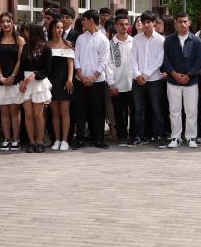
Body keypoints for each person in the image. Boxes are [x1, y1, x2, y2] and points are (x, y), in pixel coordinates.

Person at [163, 12, 201, 148]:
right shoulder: (169, 40)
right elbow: (166, 59)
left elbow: (198, 61)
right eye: (180, 21)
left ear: (189, 23)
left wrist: (189, 75)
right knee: (174, 110)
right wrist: (174, 74)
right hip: (173, 80)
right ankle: (176, 137)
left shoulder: (196, 40)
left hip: (191, 81)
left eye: (185, 21)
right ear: (175, 23)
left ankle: (191, 137)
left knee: (191, 110)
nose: (183, 24)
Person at [74, 9, 112, 149]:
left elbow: (104, 61)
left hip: (98, 81)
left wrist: (94, 77)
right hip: (81, 81)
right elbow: (76, 58)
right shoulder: (80, 38)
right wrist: (81, 76)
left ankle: (98, 139)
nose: (82, 22)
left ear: (91, 20)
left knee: (98, 111)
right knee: (80, 111)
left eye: (84, 19)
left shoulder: (103, 39)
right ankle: (80, 139)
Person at [129, 10, 166, 146]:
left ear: (154, 23)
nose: (146, 25)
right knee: (138, 110)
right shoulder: (136, 39)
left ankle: (159, 136)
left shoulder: (160, 39)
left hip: (154, 79)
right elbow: (132, 58)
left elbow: (159, 61)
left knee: (156, 109)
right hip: (137, 79)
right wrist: (137, 74)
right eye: (143, 22)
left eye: (148, 22)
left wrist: (145, 75)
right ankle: (139, 136)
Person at [0, 13, 24, 151]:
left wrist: (12, 76)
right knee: (4, 110)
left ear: (12, 22)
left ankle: (16, 139)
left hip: (15, 79)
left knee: (14, 110)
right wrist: (1, 77)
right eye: (2, 22)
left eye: (8, 21)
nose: (5, 24)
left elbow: (20, 60)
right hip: (0, 79)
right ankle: (6, 138)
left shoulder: (20, 39)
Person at [19, 23, 53, 153]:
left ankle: (39, 142)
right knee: (28, 114)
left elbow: (47, 70)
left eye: (27, 30)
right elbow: (21, 67)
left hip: (39, 83)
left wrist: (35, 75)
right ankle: (31, 142)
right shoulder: (25, 47)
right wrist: (21, 82)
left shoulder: (46, 48)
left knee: (38, 115)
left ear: (32, 31)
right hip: (26, 83)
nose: (24, 33)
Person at [47, 18, 75, 151]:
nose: (60, 30)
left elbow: (70, 63)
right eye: (57, 27)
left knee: (65, 112)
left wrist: (70, 79)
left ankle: (65, 140)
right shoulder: (47, 45)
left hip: (65, 82)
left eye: (61, 28)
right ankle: (57, 139)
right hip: (51, 82)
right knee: (55, 113)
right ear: (52, 29)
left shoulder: (67, 44)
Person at [109, 15, 135, 144]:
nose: (124, 27)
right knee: (119, 112)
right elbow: (108, 65)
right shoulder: (111, 43)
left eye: (126, 24)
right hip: (117, 84)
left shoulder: (134, 41)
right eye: (121, 24)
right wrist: (112, 84)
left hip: (133, 83)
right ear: (116, 26)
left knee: (134, 111)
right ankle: (122, 136)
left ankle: (134, 135)